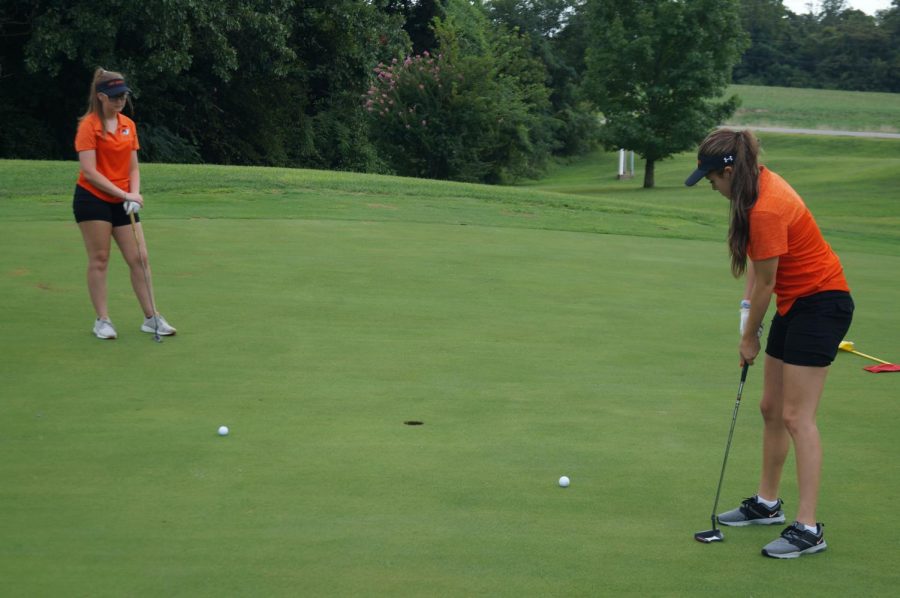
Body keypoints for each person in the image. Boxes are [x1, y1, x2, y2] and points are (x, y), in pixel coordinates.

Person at [685, 129, 853, 559]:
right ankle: (767, 503)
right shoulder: (754, 190)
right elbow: (757, 276)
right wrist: (747, 314)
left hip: (822, 304)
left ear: (728, 171)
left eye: (711, 179)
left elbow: (767, 283)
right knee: (770, 408)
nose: (711, 187)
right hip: (797, 304)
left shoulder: (767, 206)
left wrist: (748, 338)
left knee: (798, 417)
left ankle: (810, 527)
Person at [73, 68, 176, 339]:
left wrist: (135, 195)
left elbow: (133, 168)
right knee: (100, 258)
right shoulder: (88, 126)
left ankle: (151, 318)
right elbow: (90, 172)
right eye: (115, 97)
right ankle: (102, 320)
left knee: (140, 257)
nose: (121, 101)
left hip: (124, 199)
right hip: (92, 199)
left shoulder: (128, 125)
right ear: (101, 96)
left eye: (124, 96)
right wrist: (124, 195)